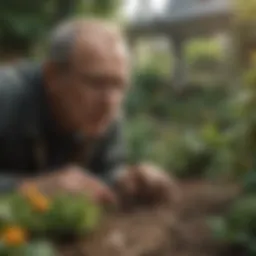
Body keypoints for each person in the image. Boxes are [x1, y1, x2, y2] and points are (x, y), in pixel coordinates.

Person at [0, 18, 178, 207]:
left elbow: (107, 169)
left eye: (119, 85)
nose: (110, 101)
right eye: (96, 83)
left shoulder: (104, 114)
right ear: (52, 76)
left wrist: (125, 180)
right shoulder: (7, 96)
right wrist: (26, 189)